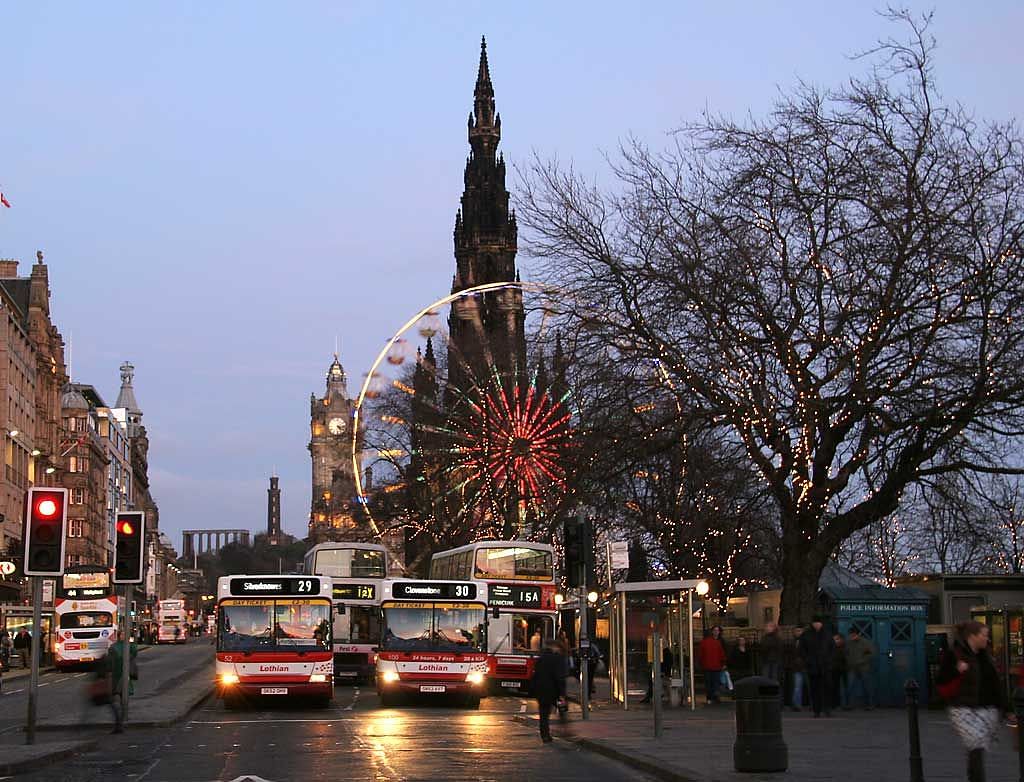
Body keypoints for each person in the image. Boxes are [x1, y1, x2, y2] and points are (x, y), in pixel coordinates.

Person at [937, 621, 1005, 782]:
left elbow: (995, 684)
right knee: (976, 745)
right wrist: (956, 670)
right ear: (972, 636)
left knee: (976, 749)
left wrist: (1006, 708)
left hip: (986, 709)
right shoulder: (954, 654)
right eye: (984, 635)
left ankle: (973, 776)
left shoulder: (985, 656)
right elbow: (940, 681)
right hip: (962, 709)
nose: (987, 639)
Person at [530, 639, 568, 744]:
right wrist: (562, 694)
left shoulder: (541, 659)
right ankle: (565, 729)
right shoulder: (557, 659)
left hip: (541, 691)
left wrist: (533, 690)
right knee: (562, 709)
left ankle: (545, 735)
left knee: (544, 714)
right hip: (554, 691)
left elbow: (534, 675)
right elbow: (560, 677)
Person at [798, 616, 835, 717]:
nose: (817, 625)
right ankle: (816, 710)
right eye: (815, 623)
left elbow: (832, 648)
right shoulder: (806, 634)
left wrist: (829, 660)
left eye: (818, 623)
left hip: (825, 666)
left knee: (827, 689)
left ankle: (827, 709)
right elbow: (801, 649)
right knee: (815, 690)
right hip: (813, 666)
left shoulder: (827, 634)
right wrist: (807, 660)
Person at [105, 631, 139, 734]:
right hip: (117, 674)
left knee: (122, 696)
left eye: (126, 635)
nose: (125, 636)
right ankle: (121, 718)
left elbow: (134, 653)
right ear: (119, 636)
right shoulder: (114, 647)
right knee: (117, 697)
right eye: (123, 634)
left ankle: (122, 718)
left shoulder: (129, 646)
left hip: (123, 674)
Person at [844, 627, 875, 709]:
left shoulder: (865, 642)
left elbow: (871, 654)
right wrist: (849, 661)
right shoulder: (848, 643)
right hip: (852, 667)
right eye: (851, 635)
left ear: (858, 634)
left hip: (863, 667)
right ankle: (849, 704)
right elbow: (846, 653)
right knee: (850, 686)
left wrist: (862, 661)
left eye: (853, 635)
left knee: (867, 686)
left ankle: (870, 704)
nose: (852, 637)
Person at [698, 626, 727, 704]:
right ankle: (715, 696)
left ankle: (709, 698)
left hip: (706, 666)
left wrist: (700, 664)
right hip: (716, 666)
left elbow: (700, 655)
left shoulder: (703, 643)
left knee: (708, 683)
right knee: (715, 682)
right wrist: (723, 663)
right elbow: (722, 654)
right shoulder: (717, 642)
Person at [785, 627, 806, 711]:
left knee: (810, 686)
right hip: (796, 667)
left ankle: (814, 704)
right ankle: (797, 705)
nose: (798, 632)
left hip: (806, 666)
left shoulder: (806, 641)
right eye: (796, 631)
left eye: (800, 630)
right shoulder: (791, 642)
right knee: (797, 686)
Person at [758, 623, 783, 687]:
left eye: (769, 626)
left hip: (775, 661)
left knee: (774, 679)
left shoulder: (777, 638)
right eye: (767, 626)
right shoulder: (764, 638)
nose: (767, 628)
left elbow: (779, 649)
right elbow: (762, 649)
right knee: (765, 679)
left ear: (773, 628)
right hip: (766, 660)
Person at [830, 633, 848, 710]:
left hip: (844, 670)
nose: (835, 641)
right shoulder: (831, 648)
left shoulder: (845, 648)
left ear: (841, 639)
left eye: (837, 639)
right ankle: (836, 704)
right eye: (834, 639)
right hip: (834, 670)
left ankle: (844, 704)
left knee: (844, 688)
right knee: (835, 688)